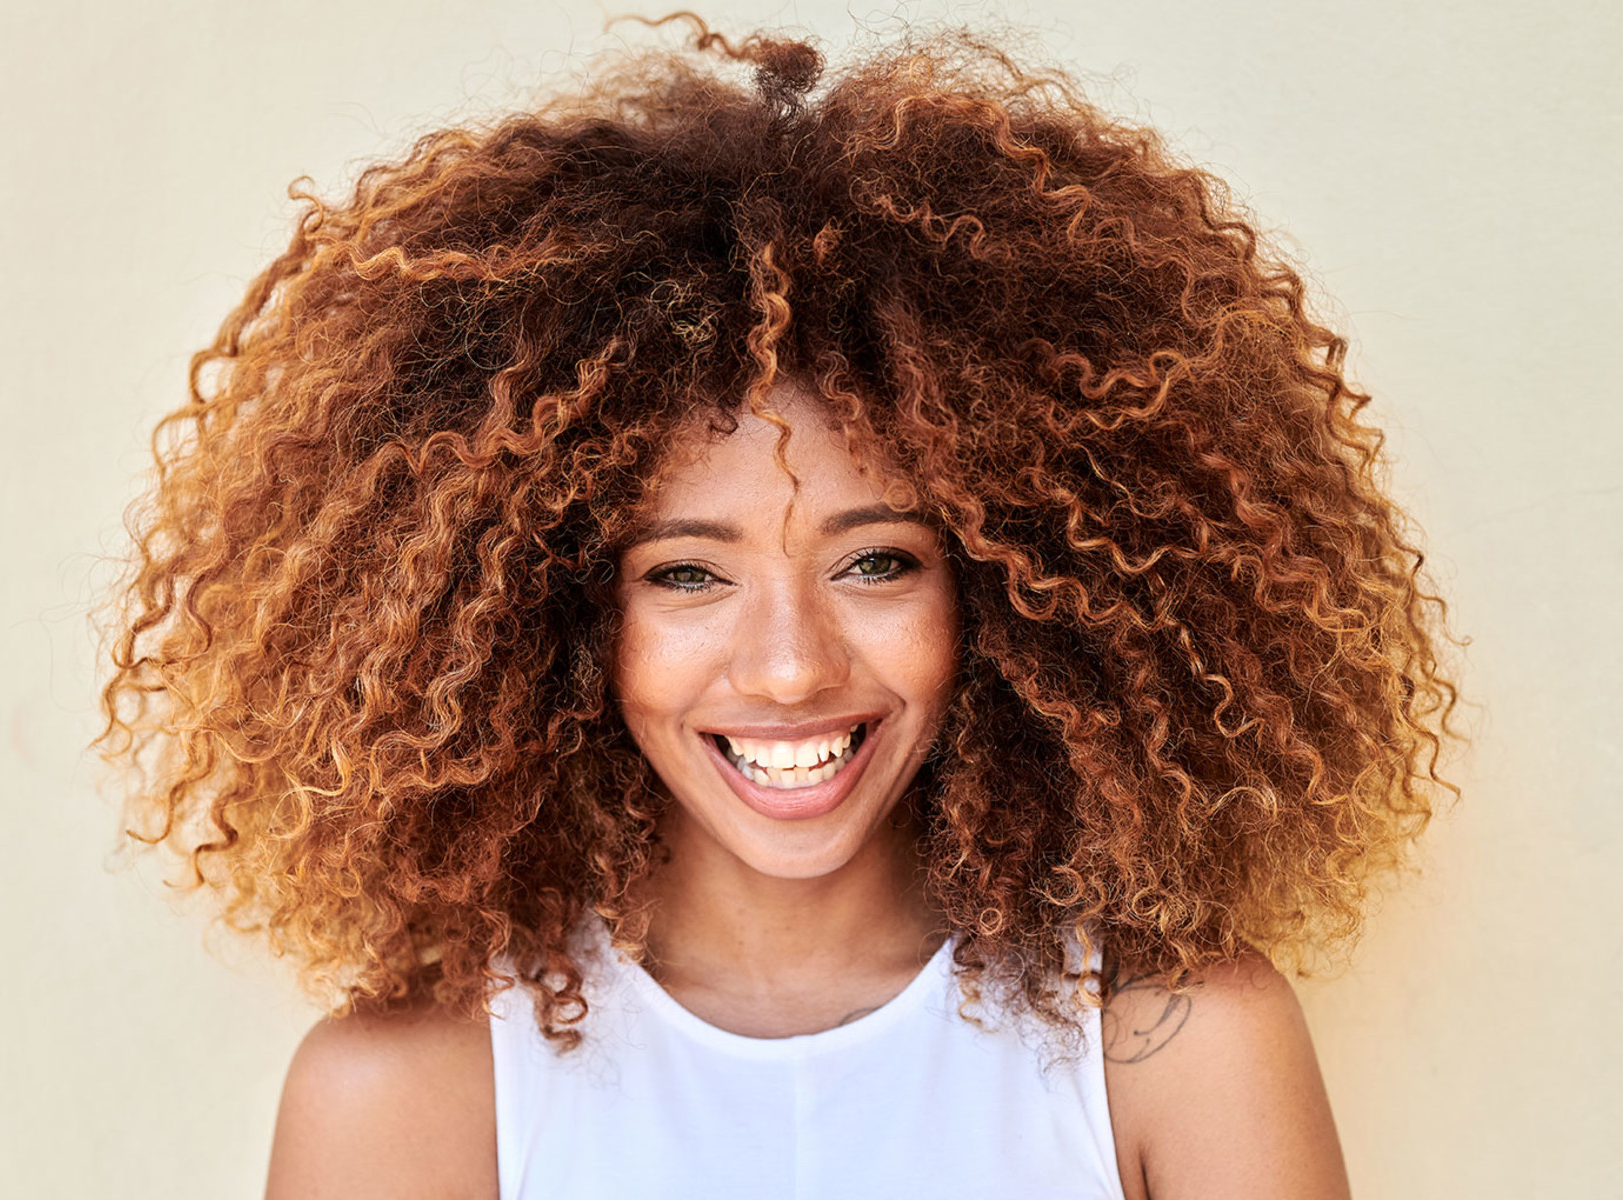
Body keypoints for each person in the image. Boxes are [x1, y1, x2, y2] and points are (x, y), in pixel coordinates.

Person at [94, 15, 1460, 1199]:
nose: (794, 667)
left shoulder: (1176, 1049)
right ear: (557, 621)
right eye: (686, 573)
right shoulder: (409, 1095)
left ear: (1011, 592)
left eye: (878, 562)